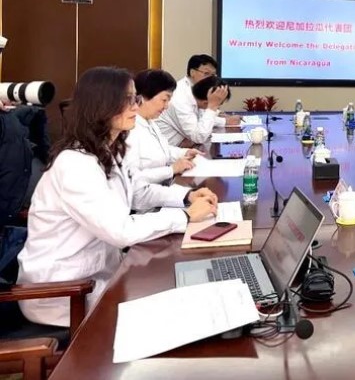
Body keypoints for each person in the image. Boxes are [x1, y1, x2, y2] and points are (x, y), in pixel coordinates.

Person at [17, 67, 217, 327]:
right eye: (128, 100)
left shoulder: (108, 151)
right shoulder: (75, 163)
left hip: (102, 277)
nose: (136, 106)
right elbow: (121, 231)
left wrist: (186, 196)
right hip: (65, 293)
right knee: (183, 309)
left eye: (135, 98)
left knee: (186, 288)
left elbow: (138, 194)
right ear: (102, 105)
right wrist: (185, 217)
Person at [127, 69, 200, 184]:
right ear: (144, 97)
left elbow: (163, 151)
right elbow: (132, 178)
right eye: (164, 100)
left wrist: (184, 153)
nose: (166, 106)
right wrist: (171, 170)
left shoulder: (150, 122)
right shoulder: (130, 129)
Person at [157, 54, 240, 145]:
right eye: (206, 73)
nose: (210, 78)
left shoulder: (196, 92)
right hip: (168, 148)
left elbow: (200, 118)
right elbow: (198, 137)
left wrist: (219, 115)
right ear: (192, 72)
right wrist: (216, 112)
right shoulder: (181, 96)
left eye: (213, 75)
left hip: (182, 146)